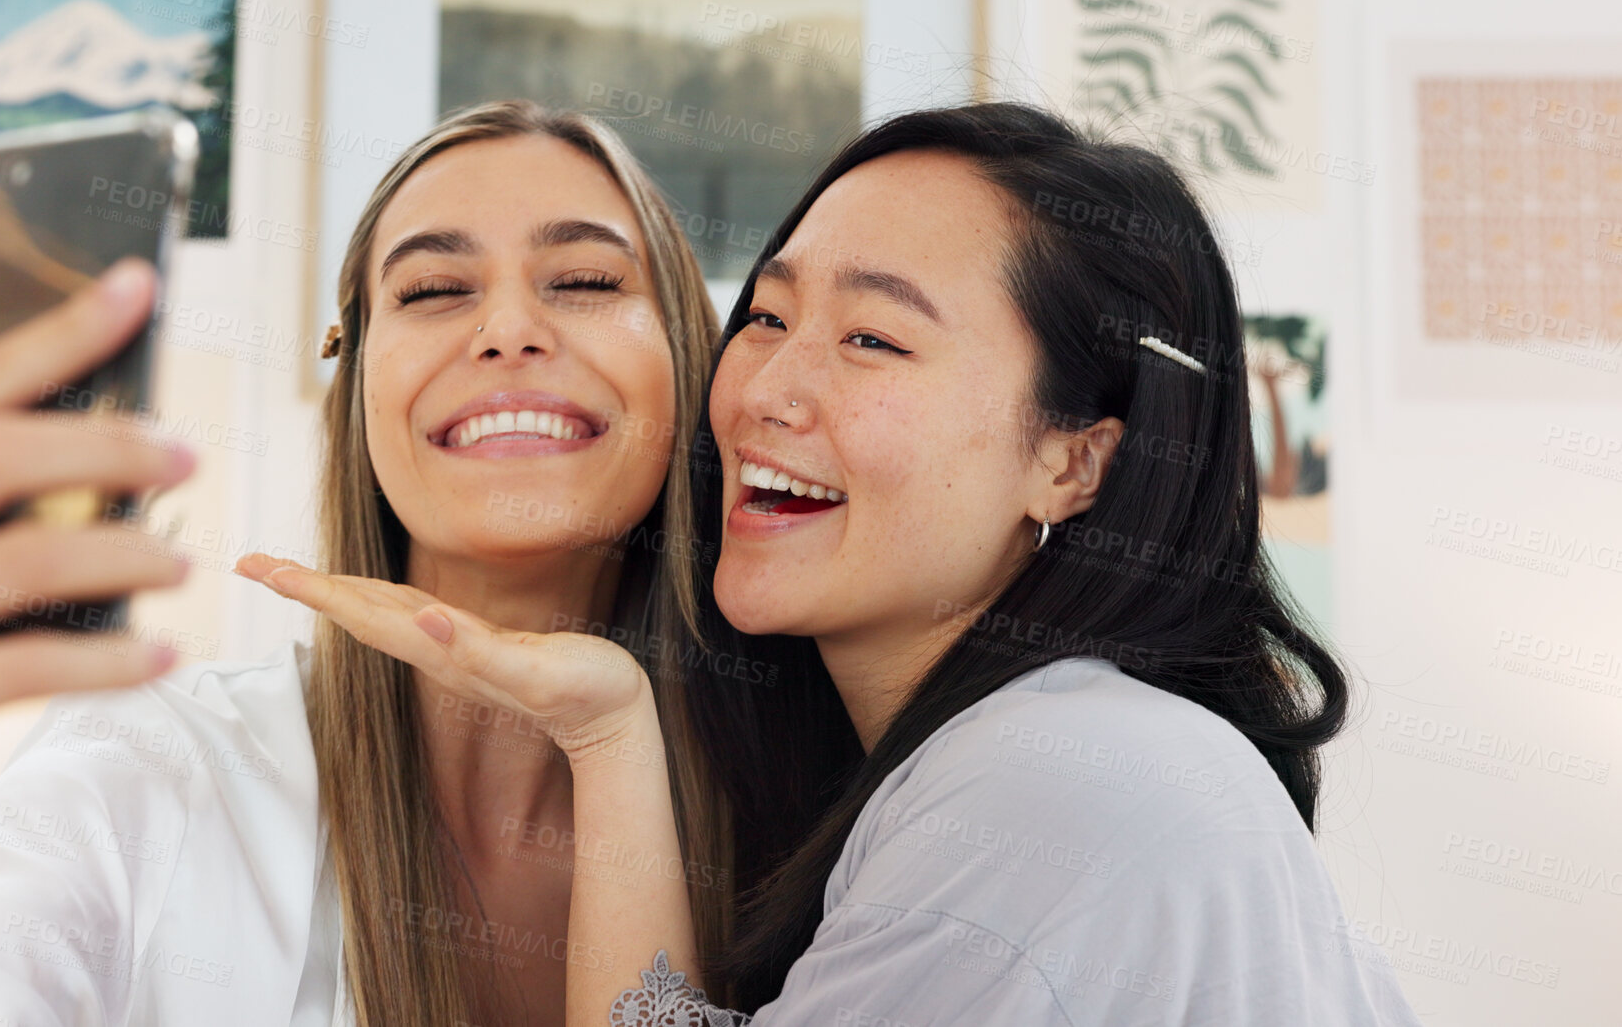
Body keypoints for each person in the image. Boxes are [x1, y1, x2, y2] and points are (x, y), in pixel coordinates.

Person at [256, 103, 1425, 1025]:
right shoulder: (935, 774)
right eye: (762, 318)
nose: (766, 390)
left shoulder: (1056, 780)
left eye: (873, 337)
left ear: (1074, 462)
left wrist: (610, 738)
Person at [0, 100, 732, 1027]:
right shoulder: (155, 761)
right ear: (356, 386)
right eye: (432, 290)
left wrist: (612, 735)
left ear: (689, 358)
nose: (508, 329)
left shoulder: (821, 808)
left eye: (589, 282)